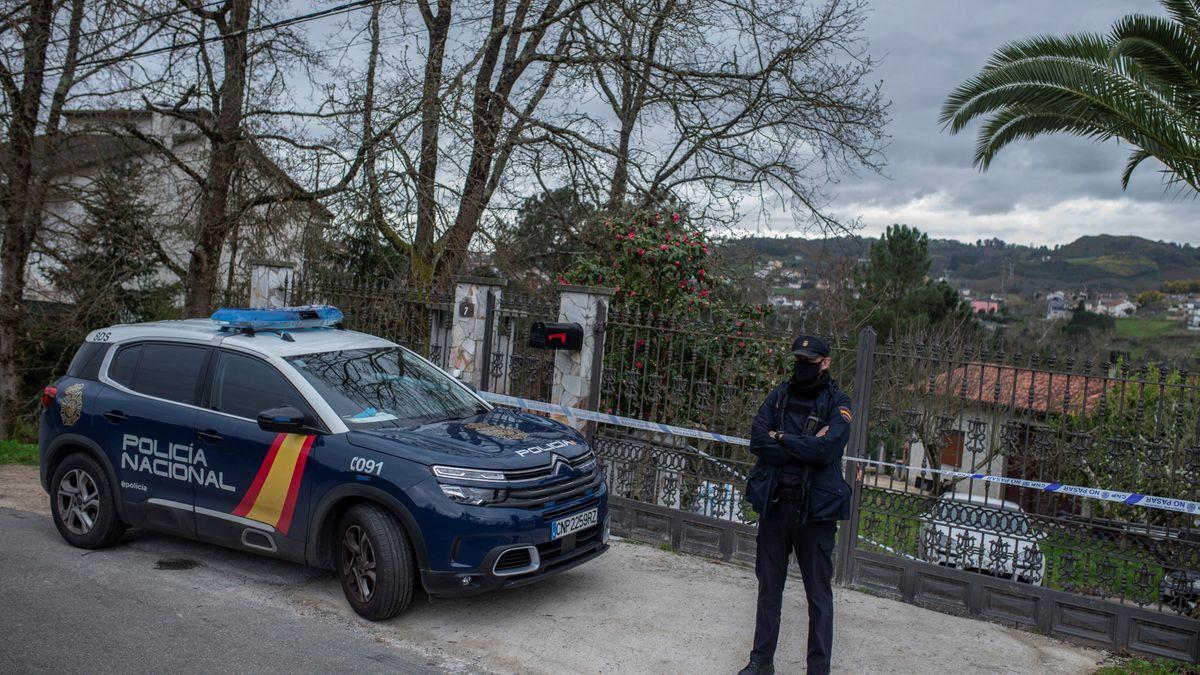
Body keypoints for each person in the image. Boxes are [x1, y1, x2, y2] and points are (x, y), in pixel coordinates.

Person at [738, 334, 853, 675]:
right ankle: (761, 662)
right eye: (799, 361)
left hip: (814, 514)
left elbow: (827, 450)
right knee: (768, 589)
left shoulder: (838, 402)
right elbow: (758, 440)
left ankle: (818, 670)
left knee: (818, 597)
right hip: (775, 507)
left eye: (810, 362)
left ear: (826, 363)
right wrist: (801, 446)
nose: (803, 367)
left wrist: (782, 438)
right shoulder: (780, 395)